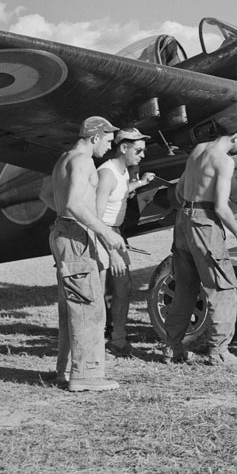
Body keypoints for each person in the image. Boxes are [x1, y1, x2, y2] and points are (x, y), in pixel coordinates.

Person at [163, 115, 237, 365]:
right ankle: (219, 352)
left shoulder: (198, 150)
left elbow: (180, 190)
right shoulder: (224, 161)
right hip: (204, 223)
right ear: (236, 135)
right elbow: (221, 207)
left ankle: (173, 348)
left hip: (183, 219)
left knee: (185, 288)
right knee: (223, 288)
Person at [47, 116, 127, 391]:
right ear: (95, 137)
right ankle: (86, 376)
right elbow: (73, 203)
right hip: (75, 236)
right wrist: (106, 233)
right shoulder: (83, 161)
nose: (109, 147)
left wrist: (65, 220)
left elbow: (47, 194)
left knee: (71, 307)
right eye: (108, 141)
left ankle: (66, 371)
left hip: (64, 232)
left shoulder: (64, 159)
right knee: (88, 306)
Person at [95, 127, 155, 357]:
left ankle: (118, 340)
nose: (142, 155)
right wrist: (112, 253)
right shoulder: (107, 173)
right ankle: (96, 342)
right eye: (138, 151)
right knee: (99, 291)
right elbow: (96, 218)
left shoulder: (121, 173)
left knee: (123, 287)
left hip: (115, 233)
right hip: (102, 234)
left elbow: (118, 193)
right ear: (123, 148)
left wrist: (139, 184)